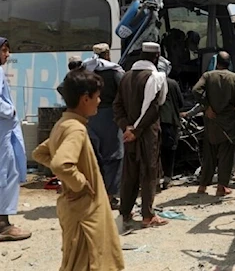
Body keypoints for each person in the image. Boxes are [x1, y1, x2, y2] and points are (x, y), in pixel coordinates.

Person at [32, 68, 124, 270]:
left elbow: (40, 153)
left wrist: (70, 179)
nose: (99, 101)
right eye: (97, 97)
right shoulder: (76, 129)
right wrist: (80, 183)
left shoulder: (63, 124)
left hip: (73, 208)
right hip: (84, 212)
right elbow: (60, 164)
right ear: (85, 99)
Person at [113, 42, 169, 228]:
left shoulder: (126, 77)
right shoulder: (156, 77)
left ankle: (125, 212)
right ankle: (148, 215)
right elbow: (154, 109)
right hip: (147, 133)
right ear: (156, 57)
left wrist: (126, 128)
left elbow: (117, 106)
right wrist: (136, 131)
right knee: (149, 171)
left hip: (129, 133)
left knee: (130, 173)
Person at [192, 51, 235, 196]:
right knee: (226, 156)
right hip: (228, 122)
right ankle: (221, 187)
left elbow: (196, 90)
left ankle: (202, 186)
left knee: (209, 155)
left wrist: (206, 106)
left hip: (211, 122)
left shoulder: (208, 76)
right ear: (229, 63)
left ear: (217, 62)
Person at [83, 43, 125, 210]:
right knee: (114, 156)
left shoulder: (86, 71)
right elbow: (123, 93)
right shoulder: (114, 71)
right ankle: (109, 197)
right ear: (107, 54)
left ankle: (95, 194)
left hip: (90, 118)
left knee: (94, 157)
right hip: (110, 118)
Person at [0, 37, 31, 242]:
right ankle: (3, 225)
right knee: (6, 175)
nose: (7, 54)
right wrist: (10, 111)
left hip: (5, 132)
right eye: (3, 50)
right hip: (2, 132)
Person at [157, 56, 183, 190]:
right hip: (171, 122)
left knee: (156, 152)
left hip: (154, 122)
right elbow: (181, 103)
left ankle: (156, 180)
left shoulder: (151, 82)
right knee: (169, 151)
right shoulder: (173, 83)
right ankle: (167, 178)